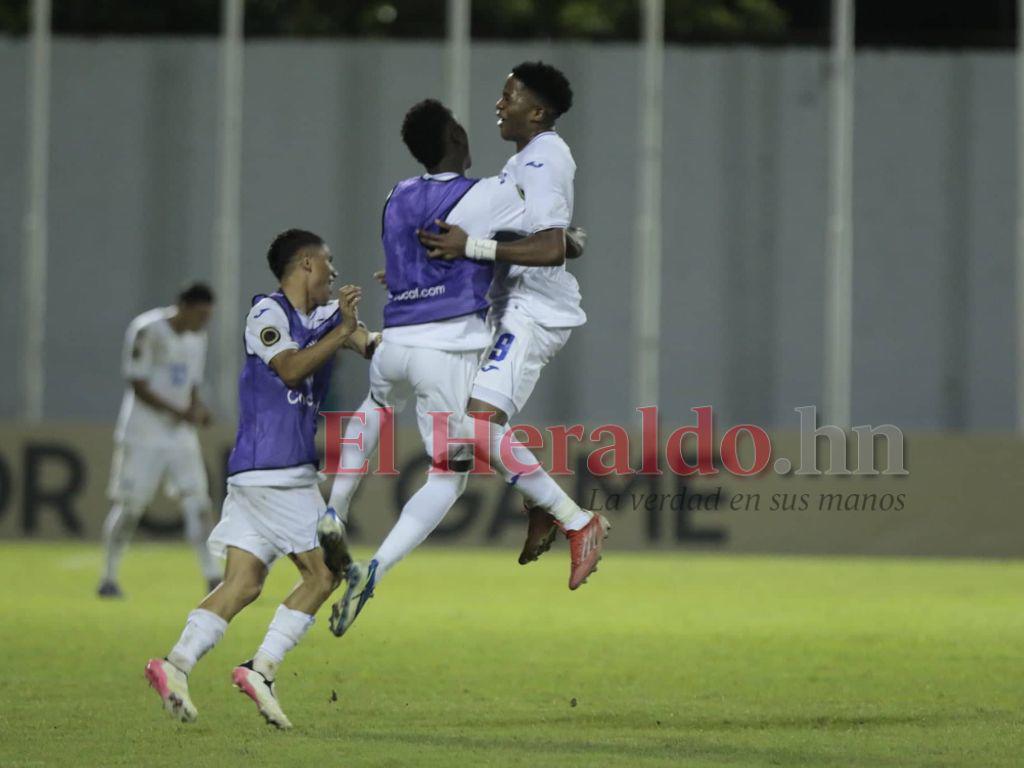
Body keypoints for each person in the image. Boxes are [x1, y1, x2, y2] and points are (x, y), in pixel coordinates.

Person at [144, 229, 370, 729]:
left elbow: (374, 348)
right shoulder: (266, 313)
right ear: (306, 263)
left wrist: (414, 314)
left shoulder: (330, 318)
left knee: (243, 583)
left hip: (256, 478)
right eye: (328, 262)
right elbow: (289, 369)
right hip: (277, 473)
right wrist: (341, 333)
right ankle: (261, 669)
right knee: (325, 574)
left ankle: (174, 663)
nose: (334, 272)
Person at [418, 61, 609, 589]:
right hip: (508, 308)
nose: (499, 105)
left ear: (538, 110)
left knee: (474, 429)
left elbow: (549, 248)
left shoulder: (546, 157)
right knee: (468, 432)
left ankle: (578, 521)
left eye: (509, 96)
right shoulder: (524, 160)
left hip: (532, 310)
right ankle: (540, 502)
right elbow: (554, 236)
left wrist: (468, 246)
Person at [98, 283, 220, 598]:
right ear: (183, 306)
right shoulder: (147, 329)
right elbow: (137, 383)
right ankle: (108, 577)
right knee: (131, 506)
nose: (204, 322)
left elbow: (192, 383)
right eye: (201, 314)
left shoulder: (197, 339)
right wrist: (179, 412)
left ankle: (212, 577)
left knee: (198, 501)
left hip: (180, 435)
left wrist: (197, 410)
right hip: (143, 433)